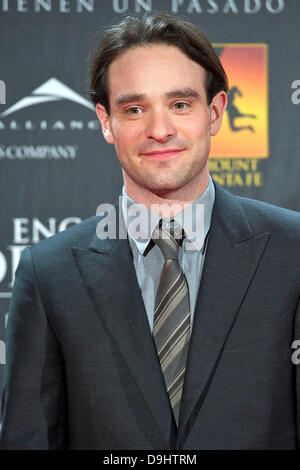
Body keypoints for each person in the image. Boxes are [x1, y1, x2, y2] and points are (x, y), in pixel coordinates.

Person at [0, 12, 300, 450]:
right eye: (134, 109)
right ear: (106, 122)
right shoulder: (48, 274)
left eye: (180, 104)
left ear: (215, 112)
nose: (159, 130)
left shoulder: (291, 252)